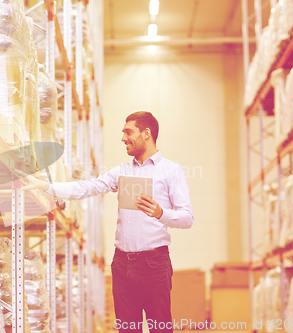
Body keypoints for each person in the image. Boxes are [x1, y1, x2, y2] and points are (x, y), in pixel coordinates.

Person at [19, 111, 193, 333]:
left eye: (128, 132)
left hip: (154, 264)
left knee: (160, 329)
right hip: (122, 264)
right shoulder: (123, 171)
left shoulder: (171, 171)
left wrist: (161, 213)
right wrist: (48, 187)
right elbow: (88, 187)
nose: (123, 138)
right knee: (127, 330)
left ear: (146, 134)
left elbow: (187, 218)